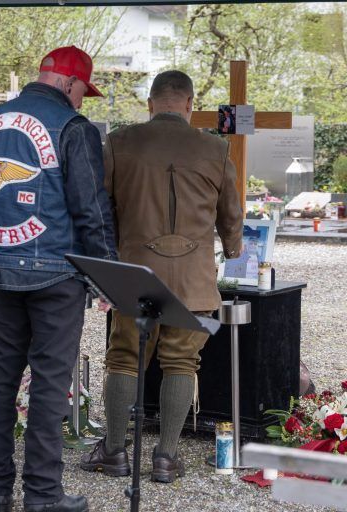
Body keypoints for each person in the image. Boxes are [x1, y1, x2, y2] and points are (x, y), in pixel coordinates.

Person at [0, 46, 117, 512]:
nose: (82, 100)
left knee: (1, 380)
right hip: (57, 274)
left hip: (4, 270)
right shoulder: (73, 127)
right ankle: (43, 494)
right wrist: (107, 275)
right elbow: (91, 209)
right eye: (83, 90)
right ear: (68, 82)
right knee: (49, 386)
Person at [80, 70, 243, 482]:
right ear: (190, 104)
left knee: (124, 357)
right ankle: (166, 457)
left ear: (150, 104)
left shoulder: (119, 142)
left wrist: (109, 254)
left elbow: (100, 206)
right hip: (193, 279)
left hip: (135, 275)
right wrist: (234, 250)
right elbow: (231, 215)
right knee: (182, 362)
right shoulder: (216, 148)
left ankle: (114, 452)